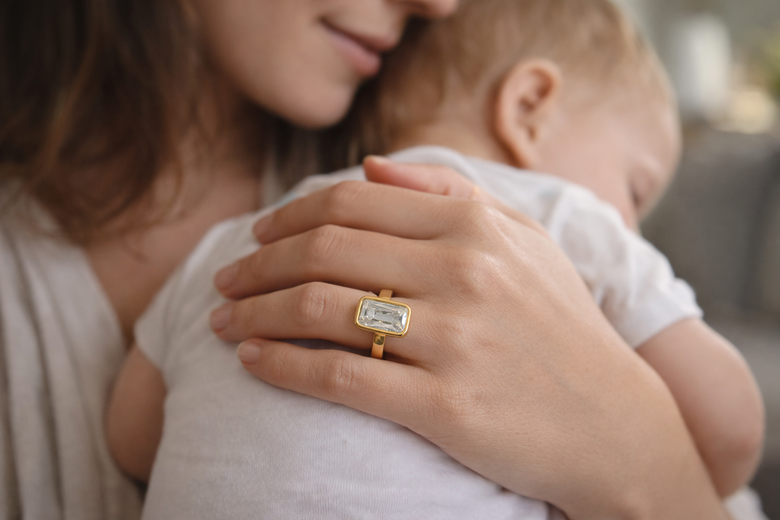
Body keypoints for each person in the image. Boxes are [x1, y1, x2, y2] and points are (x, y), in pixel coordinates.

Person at [0, 1, 747, 519]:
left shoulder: (236, 239)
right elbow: (733, 430)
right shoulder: (566, 218)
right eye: (635, 192)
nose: (437, 3)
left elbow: (130, 436)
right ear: (526, 108)